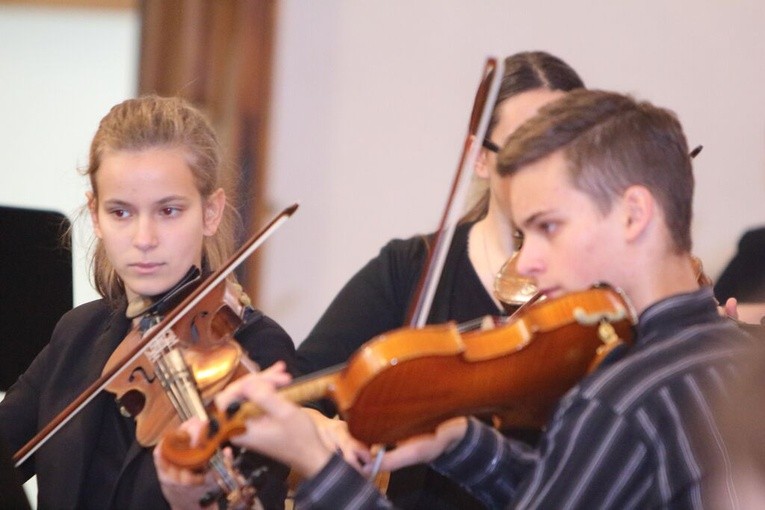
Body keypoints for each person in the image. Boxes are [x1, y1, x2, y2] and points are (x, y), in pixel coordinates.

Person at [157, 89, 755, 509]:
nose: (528, 262)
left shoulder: (617, 402)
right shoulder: (736, 355)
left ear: (632, 214)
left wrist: (321, 470)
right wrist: (464, 443)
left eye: (549, 227)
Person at [294, 51, 585, 509]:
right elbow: (306, 388)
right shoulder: (411, 270)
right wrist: (329, 429)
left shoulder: (599, 294)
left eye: (568, 150)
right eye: (525, 151)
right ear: (479, 158)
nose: (548, 173)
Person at [0, 96, 297, 509]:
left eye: (169, 211)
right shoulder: (78, 333)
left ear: (210, 212)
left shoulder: (256, 348)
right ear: (96, 214)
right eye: (121, 212)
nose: (143, 238)